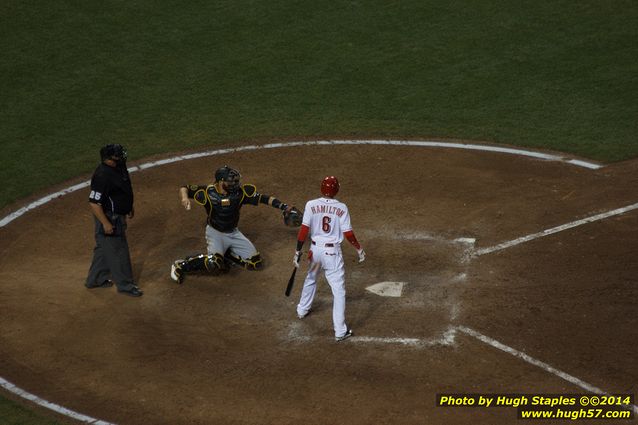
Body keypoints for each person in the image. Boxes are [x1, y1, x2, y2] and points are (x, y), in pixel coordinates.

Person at [170, 165, 299, 283]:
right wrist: (184, 197)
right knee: (213, 263)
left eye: (235, 180)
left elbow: (263, 198)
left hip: (233, 233)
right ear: (221, 181)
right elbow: (184, 187)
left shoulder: (239, 193)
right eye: (230, 181)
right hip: (215, 233)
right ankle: (181, 265)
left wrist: (283, 206)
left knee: (254, 262)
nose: (234, 183)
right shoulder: (207, 193)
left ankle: (226, 254)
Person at [293, 176, 365, 342]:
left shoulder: (311, 204)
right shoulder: (342, 207)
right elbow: (348, 233)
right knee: (339, 292)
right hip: (332, 255)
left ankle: (302, 310)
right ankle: (340, 331)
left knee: (311, 279)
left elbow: (304, 230)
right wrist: (359, 249)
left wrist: (297, 251)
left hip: (315, 251)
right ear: (337, 190)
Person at [85, 144, 143, 297]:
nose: (122, 156)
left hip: (118, 213)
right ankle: (126, 285)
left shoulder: (119, 165)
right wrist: (105, 223)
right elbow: (94, 202)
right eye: (118, 155)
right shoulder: (102, 176)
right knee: (118, 250)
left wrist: (129, 205)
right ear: (108, 159)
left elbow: (124, 187)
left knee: (105, 248)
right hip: (110, 216)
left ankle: (95, 279)